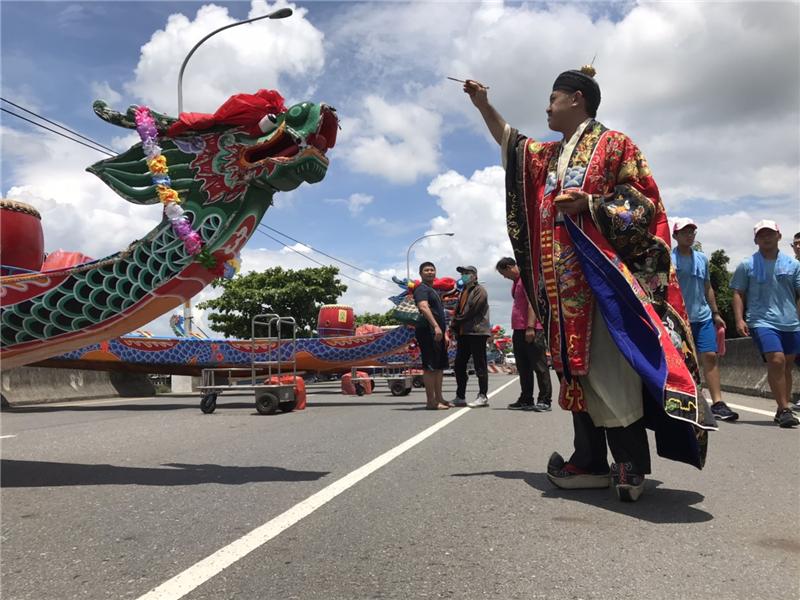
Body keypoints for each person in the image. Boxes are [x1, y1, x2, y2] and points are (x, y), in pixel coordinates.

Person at [464, 66, 715, 502]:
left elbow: (645, 204)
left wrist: (591, 203)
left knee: (610, 370)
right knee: (573, 372)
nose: (546, 107)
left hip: (603, 285)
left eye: (553, 98)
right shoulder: (548, 156)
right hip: (560, 293)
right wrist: (484, 105)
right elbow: (513, 145)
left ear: (577, 98)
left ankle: (629, 464)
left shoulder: (615, 144)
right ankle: (589, 461)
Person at [731, 220, 800, 428]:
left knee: (787, 365)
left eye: (770, 233)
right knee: (776, 360)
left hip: (790, 322)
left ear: (779, 236)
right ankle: (785, 408)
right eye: (762, 235)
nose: (766, 237)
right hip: (761, 320)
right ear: (755, 240)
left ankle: (781, 409)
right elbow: (738, 292)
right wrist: (739, 319)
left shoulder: (793, 265)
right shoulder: (746, 264)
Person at [672, 218, 739, 421]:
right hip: (678, 317)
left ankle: (718, 402)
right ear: (675, 235)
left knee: (710, 355)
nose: (689, 235)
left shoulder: (702, 259)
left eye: (692, 231)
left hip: (702, 316)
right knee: (682, 360)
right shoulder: (668, 258)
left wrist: (716, 313)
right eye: (684, 231)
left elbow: (707, 287)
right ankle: (686, 399)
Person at [496, 256, 552, 411]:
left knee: (539, 366)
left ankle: (545, 399)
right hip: (518, 329)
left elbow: (532, 303)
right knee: (523, 367)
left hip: (531, 328)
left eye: (503, 273)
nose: (504, 277)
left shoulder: (527, 279)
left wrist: (530, 327)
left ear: (509, 267)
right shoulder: (516, 282)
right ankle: (526, 398)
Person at [450, 265, 491, 408]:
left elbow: (473, 310)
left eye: (467, 273)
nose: (464, 275)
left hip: (477, 332)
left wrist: (456, 321)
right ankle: (460, 396)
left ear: (475, 275)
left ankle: (483, 396)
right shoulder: (463, 291)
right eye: (463, 273)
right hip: (464, 333)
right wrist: (454, 325)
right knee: (459, 364)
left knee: (480, 364)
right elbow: (459, 310)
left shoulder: (480, 290)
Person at [413, 261, 450, 410]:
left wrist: (444, 332)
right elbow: (423, 306)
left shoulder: (432, 290)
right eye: (426, 270)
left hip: (438, 333)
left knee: (439, 366)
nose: (430, 272)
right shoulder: (421, 289)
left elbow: (440, 314)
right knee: (430, 367)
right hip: (428, 332)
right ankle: (431, 401)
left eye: (432, 270)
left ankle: (439, 397)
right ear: (421, 274)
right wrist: (435, 326)